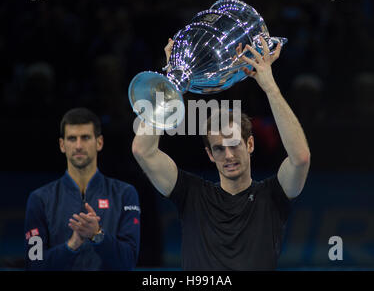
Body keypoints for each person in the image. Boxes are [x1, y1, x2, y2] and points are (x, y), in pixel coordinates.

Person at [132, 37, 310, 270]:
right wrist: (171, 83)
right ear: (209, 154)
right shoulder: (192, 194)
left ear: (250, 145)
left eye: (234, 144)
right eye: (219, 148)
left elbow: (300, 158)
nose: (228, 155)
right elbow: (142, 150)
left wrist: (269, 86)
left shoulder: (272, 197)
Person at [24, 108, 140, 270]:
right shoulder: (40, 199)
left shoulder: (124, 194)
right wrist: (71, 245)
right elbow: (33, 265)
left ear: (99, 142)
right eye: (72, 138)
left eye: (85, 137)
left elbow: (128, 262)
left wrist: (97, 235)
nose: (78, 145)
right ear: (62, 145)